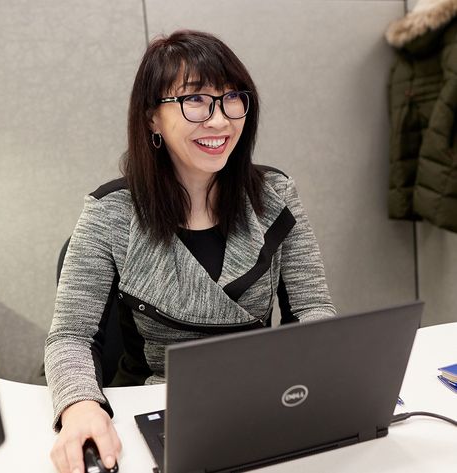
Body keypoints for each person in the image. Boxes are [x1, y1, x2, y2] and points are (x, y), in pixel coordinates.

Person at [45, 29, 336, 473]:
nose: (219, 120)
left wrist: (325, 380)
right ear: (152, 120)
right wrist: (82, 407)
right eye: (195, 100)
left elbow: (313, 308)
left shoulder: (275, 195)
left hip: (264, 402)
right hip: (154, 407)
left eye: (232, 98)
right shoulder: (111, 212)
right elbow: (70, 336)